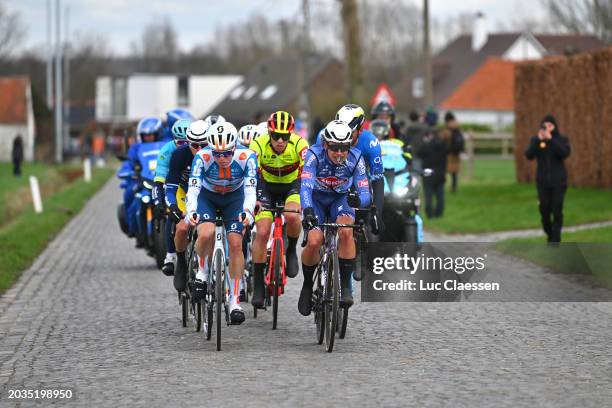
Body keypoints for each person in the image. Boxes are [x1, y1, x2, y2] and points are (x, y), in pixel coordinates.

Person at [186, 121, 257, 324]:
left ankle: (235, 300)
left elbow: (251, 191)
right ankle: (202, 271)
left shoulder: (247, 157)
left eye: (227, 153)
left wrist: (247, 212)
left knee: (236, 244)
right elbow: (193, 188)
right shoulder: (202, 157)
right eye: (217, 154)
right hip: (207, 198)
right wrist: (191, 210)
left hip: (235, 199)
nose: (222, 158)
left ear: (235, 147)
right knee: (206, 233)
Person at [299, 120, 371, 316]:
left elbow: (365, 192)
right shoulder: (314, 155)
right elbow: (305, 186)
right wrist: (307, 211)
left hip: (341, 199)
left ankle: (345, 287)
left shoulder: (356, 158)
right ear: (325, 145)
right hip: (317, 199)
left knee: (346, 231)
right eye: (334, 148)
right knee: (314, 241)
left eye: (344, 148)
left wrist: (358, 200)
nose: (339, 153)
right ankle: (307, 285)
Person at [249, 111, 308, 308]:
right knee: (263, 231)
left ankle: (291, 249)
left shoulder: (300, 145)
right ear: (269, 133)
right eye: (276, 136)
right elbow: (252, 175)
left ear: (291, 134)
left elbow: (308, 174)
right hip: (265, 186)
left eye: (285, 136)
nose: (280, 141)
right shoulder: (257, 144)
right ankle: (258, 283)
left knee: (292, 216)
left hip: (292, 186)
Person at [315, 104, 385, 238]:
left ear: (360, 130)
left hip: (358, 183)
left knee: (366, 214)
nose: (344, 137)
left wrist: (377, 213)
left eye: (350, 133)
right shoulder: (323, 136)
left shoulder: (371, 143)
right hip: (331, 181)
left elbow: (378, 179)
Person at [164, 120, 209, 290]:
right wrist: (173, 207)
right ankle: (181, 263)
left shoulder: (215, 155)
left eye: (203, 145)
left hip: (206, 194)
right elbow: (170, 188)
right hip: (184, 192)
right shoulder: (179, 155)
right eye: (194, 145)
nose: (198, 150)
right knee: (182, 227)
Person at [153, 118, 193, 276]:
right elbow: (159, 181)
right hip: (178, 186)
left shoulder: (199, 148)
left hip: (200, 188)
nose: (183, 146)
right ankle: (170, 256)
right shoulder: (167, 151)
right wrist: (159, 202)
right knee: (172, 215)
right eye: (179, 142)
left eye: (186, 142)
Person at [117, 117, 165, 242]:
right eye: (145, 135)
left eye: (151, 135)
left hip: (162, 182)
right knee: (129, 197)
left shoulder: (166, 144)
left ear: (158, 133)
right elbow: (129, 162)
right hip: (143, 181)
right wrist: (126, 171)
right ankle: (132, 228)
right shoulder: (136, 148)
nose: (148, 137)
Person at [525, 114, 570, 243]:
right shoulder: (536, 141)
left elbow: (564, 153)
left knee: (557, 209)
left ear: (555, 127)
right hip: (543, 183)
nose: (548, 128)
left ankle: (556, 239)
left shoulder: (561, 140)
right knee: (544, 210)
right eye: (545, 126)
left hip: (559, 182)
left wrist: (551, 140)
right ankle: (549, 232)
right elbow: (529, 155)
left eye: (550, 125)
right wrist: (539, 141)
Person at [416, 125, 447, 219]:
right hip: (440, 172)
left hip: (428, 172)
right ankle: (439, 213)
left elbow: (419, 153)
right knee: (440, 195)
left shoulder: (427, 145)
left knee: (428, 195)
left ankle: (430, 214)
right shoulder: (443, 145)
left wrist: (425, 142)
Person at [441, 111, 464, 193]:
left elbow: (442, 140)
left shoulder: (447, 130)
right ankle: (454, 188)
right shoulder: (458, 128)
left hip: (448, 154)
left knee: (443, 171)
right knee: (454, 173)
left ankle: (441, 188)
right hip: (456, 154)